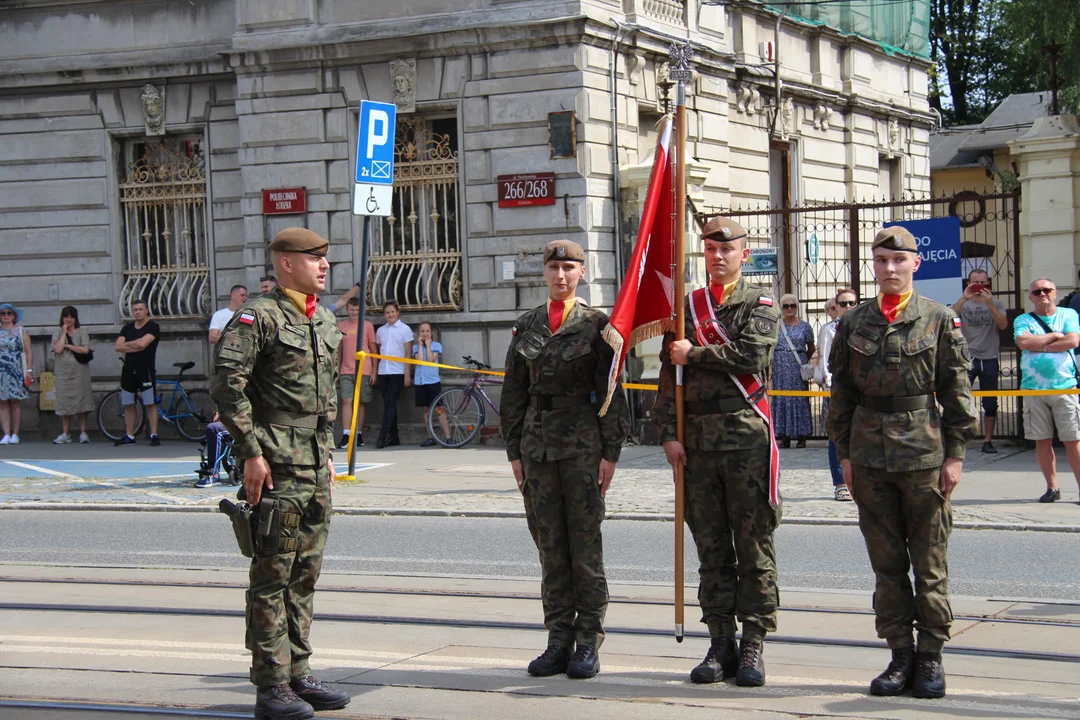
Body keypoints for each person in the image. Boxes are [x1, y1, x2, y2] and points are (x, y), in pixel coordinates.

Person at [828, 226, 977, 699]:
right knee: (886, 564)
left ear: (916, 264)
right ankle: (899, 654)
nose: (889, 269)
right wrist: (846, 455)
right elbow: (842, 396)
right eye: (881, 261)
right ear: (873, 265)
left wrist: (954, 456)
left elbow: (957, 394)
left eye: (898, 261)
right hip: (870, 456)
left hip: (924, 457)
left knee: (929, 562)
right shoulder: (854, 322)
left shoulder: (937, 320)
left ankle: (931, 655)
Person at [211, 227, 350, 720]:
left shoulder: (325, 319)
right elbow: (228, 384)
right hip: (274, 462)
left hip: (313, 462)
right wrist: (250, 451)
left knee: (305, 574)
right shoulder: (259, 316)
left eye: (325, 258)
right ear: (286, 263)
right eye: (314, 258)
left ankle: (298, 671)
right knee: (272, 574)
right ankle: (271, 685)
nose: (324, 265)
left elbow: (328, 394)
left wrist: (327, 450)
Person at [654, 217, 781, 687]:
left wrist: (697, 355)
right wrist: (668, 432)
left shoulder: (759, 302)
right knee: (710, 547)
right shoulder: (687, 309)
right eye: (710, 249)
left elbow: (754, 355)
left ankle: (753, 644)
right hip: (697, 445)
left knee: (753, 546)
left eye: (727, 250)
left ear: (743, 255)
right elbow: (668, 378)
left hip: (746, 439)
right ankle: (720, 641)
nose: (718, 256)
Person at [500, 239, 630, 680]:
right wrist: (514, 452)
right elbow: (514, 393)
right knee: (550, 548)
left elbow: (613, 395)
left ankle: (588, 642)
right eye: (554, 267)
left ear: (582, 272)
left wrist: (610, 453)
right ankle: (558, 639)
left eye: (569, 268)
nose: (561, 275)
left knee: (584, 548)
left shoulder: (597, 326)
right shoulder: (527, 324)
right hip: (537, 449)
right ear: (544, 272)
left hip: (581, 448)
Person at [1013, 278, 1080, 503]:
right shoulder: (1023, 319)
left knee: (1073, 440)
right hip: (1033, 389)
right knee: (1042, 440)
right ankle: (1052, 487)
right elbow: (1023, 342)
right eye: (1037, 291)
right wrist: (1053, 337)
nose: (1042, 294)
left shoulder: (1068, 315)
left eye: (1047, 290)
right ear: (1031, 296)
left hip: (1065, 387)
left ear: (1055, 293)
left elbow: (1072, 340)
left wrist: (1038, 345)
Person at [952, 269, 1008, 453]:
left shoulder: (996, 303)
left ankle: (988, 440)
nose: (979, 286)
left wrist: (989, 303)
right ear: (968, 282)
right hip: (968, 357)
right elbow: (948, 318)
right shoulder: (964, 303)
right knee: (961, 399)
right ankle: (959, 439)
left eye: (982, 282)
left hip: (989, 356)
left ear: (988, 283)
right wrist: (963, 298)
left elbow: (1003, 325)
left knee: (990, 401)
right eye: (975, 282)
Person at [815, 288, 858, 501]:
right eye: (843, 304)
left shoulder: (863, 327)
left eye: (852, 303)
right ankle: (840, 483)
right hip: (838, 390)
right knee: (836, 437)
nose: (848, 307)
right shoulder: (830, 330)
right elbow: (825, 363)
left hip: (861, 390)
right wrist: (832, 390)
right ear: (836, 307)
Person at [113, 300, 160, 446]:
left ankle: (154, 434)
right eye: (135, 310)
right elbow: (117, 346)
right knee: (129, 403)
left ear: (146, 311)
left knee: (150, 403)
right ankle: (130, 435)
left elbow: (143, 344)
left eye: (140, 309)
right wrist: (135, 346)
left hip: (145, 370)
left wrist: (129, 344)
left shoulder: (153, 327)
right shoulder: (127, 328)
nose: (138, 312)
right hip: (128, 370)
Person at [771, 293, 814, 448]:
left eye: (792, 305)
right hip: (780, 366)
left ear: (797, 307)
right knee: (781, 398)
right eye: (786, 306)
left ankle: (801, 436)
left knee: (799, 399)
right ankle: (784, 436)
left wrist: (805, 362)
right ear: (782, 308)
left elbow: (811, 348)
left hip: (797, 366)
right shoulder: (776, 326)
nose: (789, 308)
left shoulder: (805, 326)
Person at [372, 299, 413, 448]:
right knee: (389, 404)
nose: (390, 315)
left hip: (398, 371)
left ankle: (383, 436)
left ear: (397, 313)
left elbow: (408, 354)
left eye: (392, 312)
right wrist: (375, 373)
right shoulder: (381, 331)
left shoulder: (405, 330)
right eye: (387, 312)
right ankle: (394, 436)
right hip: (384, 371)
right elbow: (378, 352)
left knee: (390, 404)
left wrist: (407, 374)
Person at [336, 297, 376, 449]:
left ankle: (358, 433)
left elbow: (373, 350)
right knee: (347, 400)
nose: (354, 312)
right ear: (347, 309)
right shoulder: (341, 325)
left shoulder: (367, 326)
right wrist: (338, 369)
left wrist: (374, 372)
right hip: (346, 369)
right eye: (352, 309)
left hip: (364, 369)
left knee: (360, 403)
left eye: (357, 310)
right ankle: (346, 433)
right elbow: (340, 349)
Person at [51, 306, 94, 444]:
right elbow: (57, 349)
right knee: (64, 402)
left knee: (83, 400)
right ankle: (66, 433)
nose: (69, 320)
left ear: (76, 318)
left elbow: (85, 349)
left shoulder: (82, 331)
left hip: (80, 372)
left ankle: (83, 432)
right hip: (63, 373)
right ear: (62, 318)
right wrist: (64, 333)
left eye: (71, 317)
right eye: (66, 316)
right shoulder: (57, 332)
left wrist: (68, 346)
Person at [413, 322, 451, 446]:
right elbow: (418, 360)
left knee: (439, 408)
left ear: (431, 333)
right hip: (420, 381)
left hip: (432, 380)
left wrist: (428, 345)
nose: (425, 334)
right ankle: (431, 437)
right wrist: (420, 345)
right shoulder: (415, 347)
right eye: (422, 331)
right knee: (426, 409)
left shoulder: (436, 345)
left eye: (427, 331)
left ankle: (448, 436)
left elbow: (430, 359)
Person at [0, 303, 32, 445]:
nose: (6, 315)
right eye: (3, 313)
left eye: (9, 313)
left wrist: (29, 370)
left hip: (17, 370)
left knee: (15, 402)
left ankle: (16, 433)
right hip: (1, 371)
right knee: (2, 402)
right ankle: (6, 433)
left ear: (14, 316)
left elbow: (28, 351)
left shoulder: (21, 331)